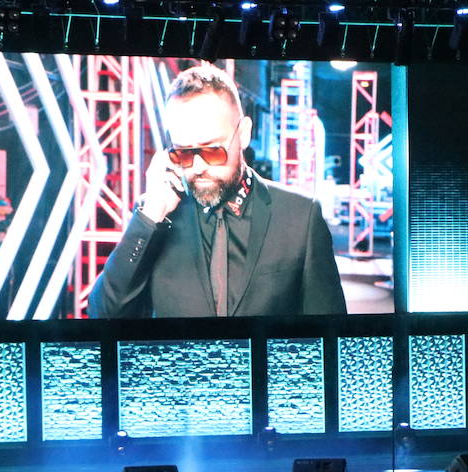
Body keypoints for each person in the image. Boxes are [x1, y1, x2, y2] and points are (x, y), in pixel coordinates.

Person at [88, 63, 346, 319]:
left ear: (243, 134)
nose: (198, 166)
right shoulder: (155, 216)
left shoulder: (300, 217)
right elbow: (103, 316)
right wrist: (148, 218)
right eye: (183, 152)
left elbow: (329, 333)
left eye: (212, 150)